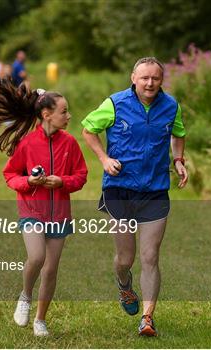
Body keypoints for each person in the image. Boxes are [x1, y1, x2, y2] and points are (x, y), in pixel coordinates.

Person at [81, 57, 188, 337]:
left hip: (155, 190)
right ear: (133, 78)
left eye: (155, 78)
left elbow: (178, 133)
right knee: (125, 258)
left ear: (161, 80)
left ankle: (148, 317)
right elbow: (88, 130)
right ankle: (124, 284)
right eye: (144, 78)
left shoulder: (171, 106)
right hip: (120, 190)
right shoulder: (115, 104)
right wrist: (104, 159)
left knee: (150, 256)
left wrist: (178, 160)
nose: (150, 83)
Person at [0, 79, 88, 337]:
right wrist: (28, 181)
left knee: (50, 270)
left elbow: (81, 176)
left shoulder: (70, 143)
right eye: (64, 112)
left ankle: (40, 320)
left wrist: (63, 181)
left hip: (59, 214)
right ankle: (25, 295)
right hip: (32, 211)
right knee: (37, 257)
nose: (69, 116)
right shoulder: (27, 144)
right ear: (47, 115)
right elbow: (10, 175)